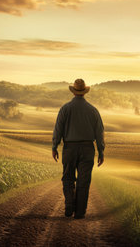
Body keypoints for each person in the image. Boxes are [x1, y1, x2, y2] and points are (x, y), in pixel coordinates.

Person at [52, 78, 105, 219]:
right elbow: (99, 133)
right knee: (84, 181)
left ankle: (69, 203)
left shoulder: (65, 109)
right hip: (88, 149)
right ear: (84, 92)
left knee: (68, 177)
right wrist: (101, 151)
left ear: (74, 92)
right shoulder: (93, 110)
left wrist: (54, 146)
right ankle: (80, 212)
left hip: (69, 148)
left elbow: (58, 129)